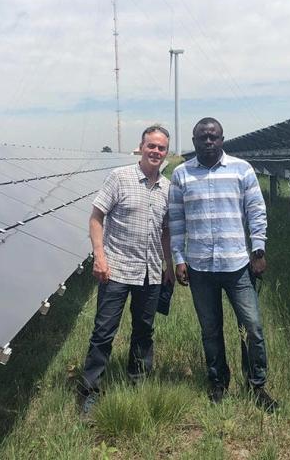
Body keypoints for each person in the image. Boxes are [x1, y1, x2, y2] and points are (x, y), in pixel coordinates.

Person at [169, 117, 278, 412]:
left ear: (221, 139)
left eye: (213, 137)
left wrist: (258, 249)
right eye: (202, 137)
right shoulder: (181, 174)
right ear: (194, 141)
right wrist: (179, 259)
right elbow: (177, 221)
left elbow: (256, 210)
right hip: (200, 267)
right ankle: (218, 382)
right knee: (210, 329)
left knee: (252, 327)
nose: (208, 142)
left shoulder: (241, 169)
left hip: (237, 265)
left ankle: (256, 385)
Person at [79, 125, 175, 413]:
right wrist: (99, 256)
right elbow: (96, 218)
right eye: (151, 146)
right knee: (104, 331)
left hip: (150, 272)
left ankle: (138, 382)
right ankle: (89, 391)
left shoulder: (167, 188)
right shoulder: (120, 178)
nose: (156, 151)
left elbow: (166, 231)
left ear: (166, 152)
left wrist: (168, 265)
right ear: (141, 147)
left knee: (144, 331)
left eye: (161, 148)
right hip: (116, 269)